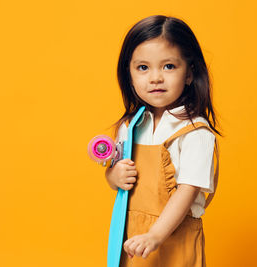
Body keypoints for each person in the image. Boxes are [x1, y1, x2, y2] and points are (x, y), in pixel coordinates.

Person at [104, 15, 220, 267]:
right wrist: (113, 176)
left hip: (173, 236)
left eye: (168, 66)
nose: (155, 78)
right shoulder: (131, 126)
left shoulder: (195, 131)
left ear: (189, 73)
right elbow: (115, 176)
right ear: (130, 74)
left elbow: (188, 191)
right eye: (143, 68)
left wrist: (156, 235)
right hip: (132, 237)